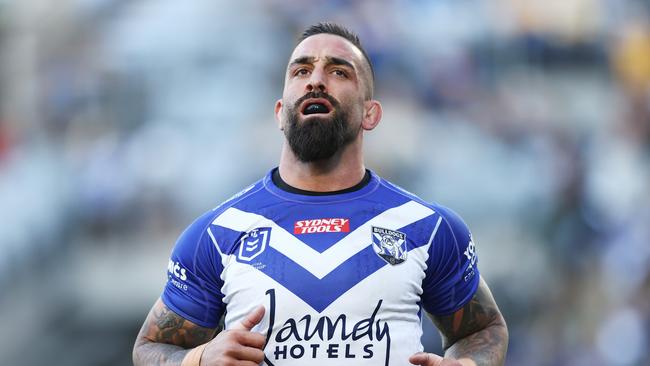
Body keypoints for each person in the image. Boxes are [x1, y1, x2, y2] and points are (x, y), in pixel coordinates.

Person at [133, 22, 508, 366]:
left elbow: (483, 331)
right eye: (301, 70)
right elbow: (149, 349)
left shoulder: (428, 228)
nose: (316, 80)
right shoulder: (217, 233)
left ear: (371, 114)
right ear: (280, 113)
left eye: (338, 71)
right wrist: (197, 360)